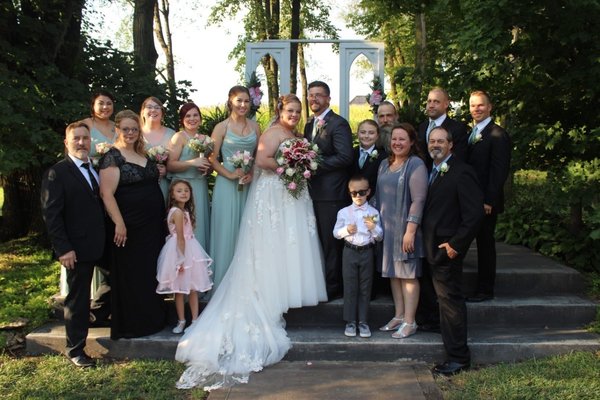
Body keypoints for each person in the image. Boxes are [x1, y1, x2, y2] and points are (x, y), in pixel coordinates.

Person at [175, 94, 327, 391]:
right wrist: (290, 165)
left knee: (287, 247)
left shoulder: (294, 134)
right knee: (269, 249)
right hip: (273, 195)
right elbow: (262, 160)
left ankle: (282, 292)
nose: (294, 114)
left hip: (288, 195)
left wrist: (299, 164)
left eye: (298, 111)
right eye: (289, 110)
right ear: (280, 111)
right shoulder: (271, 133)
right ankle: (268, 298)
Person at [41, 122, 105, 368]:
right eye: (76, 138)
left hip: (100, 243)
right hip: (75, 247)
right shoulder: (57, 172)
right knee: (78, 298)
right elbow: (51, 214)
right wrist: (63, 248)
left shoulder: (95, 168)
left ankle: (96, 316)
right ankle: (75, 349)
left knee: (114, 282)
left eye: (85, 138)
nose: (81, 143)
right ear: (66, 142)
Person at [99, 110, 166, 339]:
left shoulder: (142, 153)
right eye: (125, 129)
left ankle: (152, 319)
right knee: (132, 273)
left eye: (134, 129)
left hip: (151, 227)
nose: (130, 133)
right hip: (129, 227)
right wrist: (119, 223)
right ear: (117, 129)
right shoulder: (112, 157)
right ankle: (133, 324)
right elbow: (106, 194)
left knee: (149, 272)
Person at [423, 126, 484, 375]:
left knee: (451, 302)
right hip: (430, 246)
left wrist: (456, 245)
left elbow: (474, 215)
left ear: (451, 145)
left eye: (440, 141)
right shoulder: (431, 170)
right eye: (432, 141)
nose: (435, 145)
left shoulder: (462, 172)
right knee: (442, 300)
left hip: (446, 248)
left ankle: (459, 357)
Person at [375, 123, 428, 339]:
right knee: (393, 275)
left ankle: (410, 321)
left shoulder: (415, 164)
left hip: (405, 229)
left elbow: (418, 200)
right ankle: (398, 315)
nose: (397, 143)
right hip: (387, 229)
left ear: (412, 142)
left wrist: (411, 231)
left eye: (402, 139)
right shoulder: (384, 165)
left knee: (408, 275)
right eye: (394, 139)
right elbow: (378, 196)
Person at [303, 80, 354, 300]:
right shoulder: (308, 125)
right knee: (318, 242)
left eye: (319, 95)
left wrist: (313, 165)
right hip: (312, 193)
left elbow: (345, 157)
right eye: (311, 95)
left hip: (332, 195)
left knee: (331, 243)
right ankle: (322, 281)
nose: (314, 99)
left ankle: (334, 287)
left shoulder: (338, 123)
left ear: (328, 99)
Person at [209, 86, 260, 291]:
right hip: (226, 184)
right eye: (239, 100)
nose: (243, 105)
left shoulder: (255, 127)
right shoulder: (221, 127)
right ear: (230, 101)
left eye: (247, 101)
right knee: (226, 230)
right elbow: (212, 158)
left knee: (246, 231)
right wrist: (229, 174)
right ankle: (222, 284)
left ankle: (246, 284)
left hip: (248, 184)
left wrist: (252, 173)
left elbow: (259, 156)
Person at [465, 90, 511, 302]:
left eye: (480, 105)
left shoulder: (498, 134)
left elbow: (499, 171)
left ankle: (485, 289)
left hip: (485, 201)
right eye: (473, 106)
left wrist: (489, 200)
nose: (476, 109)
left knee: (485, 244)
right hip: (469, 199)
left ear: (490, 107)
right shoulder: (471, 133)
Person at [156, 180, 213, 334]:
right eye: (179, 191)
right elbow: (180, 238)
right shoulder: (177, 212)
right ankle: (182, 321)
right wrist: (180, 260)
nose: (184, 193)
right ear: (172, 194)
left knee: (193, 288)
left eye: (186, 190)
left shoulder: (184, 211)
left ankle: (195, 321)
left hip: (190, 250)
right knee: (179, 290)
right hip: (181, 252)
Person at [333, 175, 383, 338]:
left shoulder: (373, 212)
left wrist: (374, 228)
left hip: (367, 251)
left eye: (362, 192)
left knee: (365, 287)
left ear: (368, 192)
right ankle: (350, 321)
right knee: (350, 286)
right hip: (349, 251)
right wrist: (346, 230)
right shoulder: (344, 212)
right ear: (349, 193)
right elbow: (335, 233)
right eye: (354, 193)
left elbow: (379, 237)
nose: (358, 196)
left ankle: (363, 321)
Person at [167, 103, 212, 249]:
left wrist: (207, 169)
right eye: (188, 116)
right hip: (182, 186)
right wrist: (192, 162)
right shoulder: (179, 137)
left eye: (195, 115)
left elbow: (209, 164)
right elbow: (170, 165)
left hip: (199, 185)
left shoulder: (206, 139)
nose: (192, 119)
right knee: (184, 226)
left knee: (199, 224)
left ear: (200, 118)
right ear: (182, 119)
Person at [417, 87, 468, 170]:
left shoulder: (457, 128)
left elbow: (459, 159)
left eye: (436, 102)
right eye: (429, 101)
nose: (431, 105)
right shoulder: (422, 127)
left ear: (446, 104)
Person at [140, 96, 176, 199]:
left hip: (165, 184)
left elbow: (177, 160)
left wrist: (167, 170)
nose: (153, 110)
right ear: (142, 112)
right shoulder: (136, 133)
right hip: (142, 184)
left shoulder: (172, 134)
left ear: (162, 112)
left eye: (157, 107)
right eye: (149, 107)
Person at [350, 119, 387, 200]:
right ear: (357, 134)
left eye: (371, 133)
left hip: (373, 200)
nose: (366, 136)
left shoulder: (383, 156)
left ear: (377, 136)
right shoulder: (351, 153)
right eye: (363, 132)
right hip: (352, 200)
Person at [81, 90, 117, 164]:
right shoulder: (85, 125)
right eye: (101, 103)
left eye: (109, 104)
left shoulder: (118, 126)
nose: (105, 107)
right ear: (93, 106)